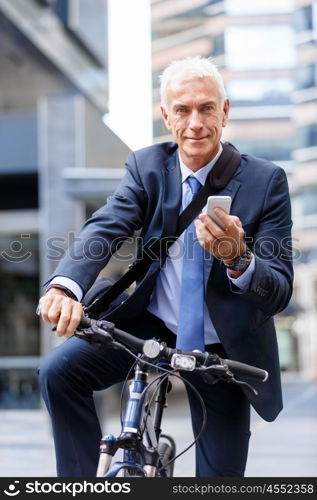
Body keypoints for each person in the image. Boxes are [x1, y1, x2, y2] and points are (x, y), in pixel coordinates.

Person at [37, 56, 293, 477]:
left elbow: (279, 288)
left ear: (224, 112)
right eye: (183, 110)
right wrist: (65, 287)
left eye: (207, 108)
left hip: (222, 346)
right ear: (166, 116)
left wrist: (238, 257)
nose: (195, 123)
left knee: (220, 481)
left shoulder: (267, 182)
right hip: (151, 325)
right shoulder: (147, 167)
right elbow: (105, 228)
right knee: (58, 373)